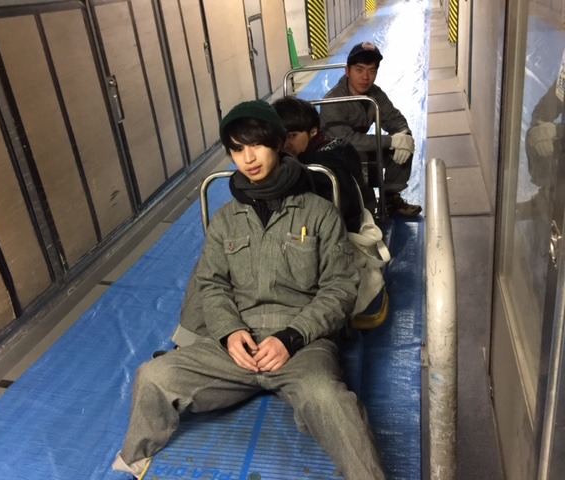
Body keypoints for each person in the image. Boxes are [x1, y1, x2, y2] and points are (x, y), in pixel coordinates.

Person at [113, 100, 385, 480]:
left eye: (256, 145)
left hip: (302, 342)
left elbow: (339, 289)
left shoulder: (318, 212)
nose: (248, 158)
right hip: (237, 345)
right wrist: (229, 333)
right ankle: (132, 463)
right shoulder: (226, 219)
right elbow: (211, 283)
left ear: (277, 143)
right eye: (237, 149)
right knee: (153, 377)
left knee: (332, 402)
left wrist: (291, 337)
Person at [320, 41, 422, 217]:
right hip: (337, 155)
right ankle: (364, 205)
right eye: (359, 70)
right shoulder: (333, 101)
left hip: (360, 149)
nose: (365, 77)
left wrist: (403, 134)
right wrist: (391, 140)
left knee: (405, 144)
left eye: (372, 71)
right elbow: (347, 141)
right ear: (347, 71)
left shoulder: (375, 94)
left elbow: (394, 118)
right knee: (366, 207)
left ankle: (390, 197)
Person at [272, 95, 375, 233]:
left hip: (342, 231)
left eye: (293, 136)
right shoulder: (336, 146)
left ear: (313, 132)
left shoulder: (322, 169)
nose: (286, 144)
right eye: (281, 137)